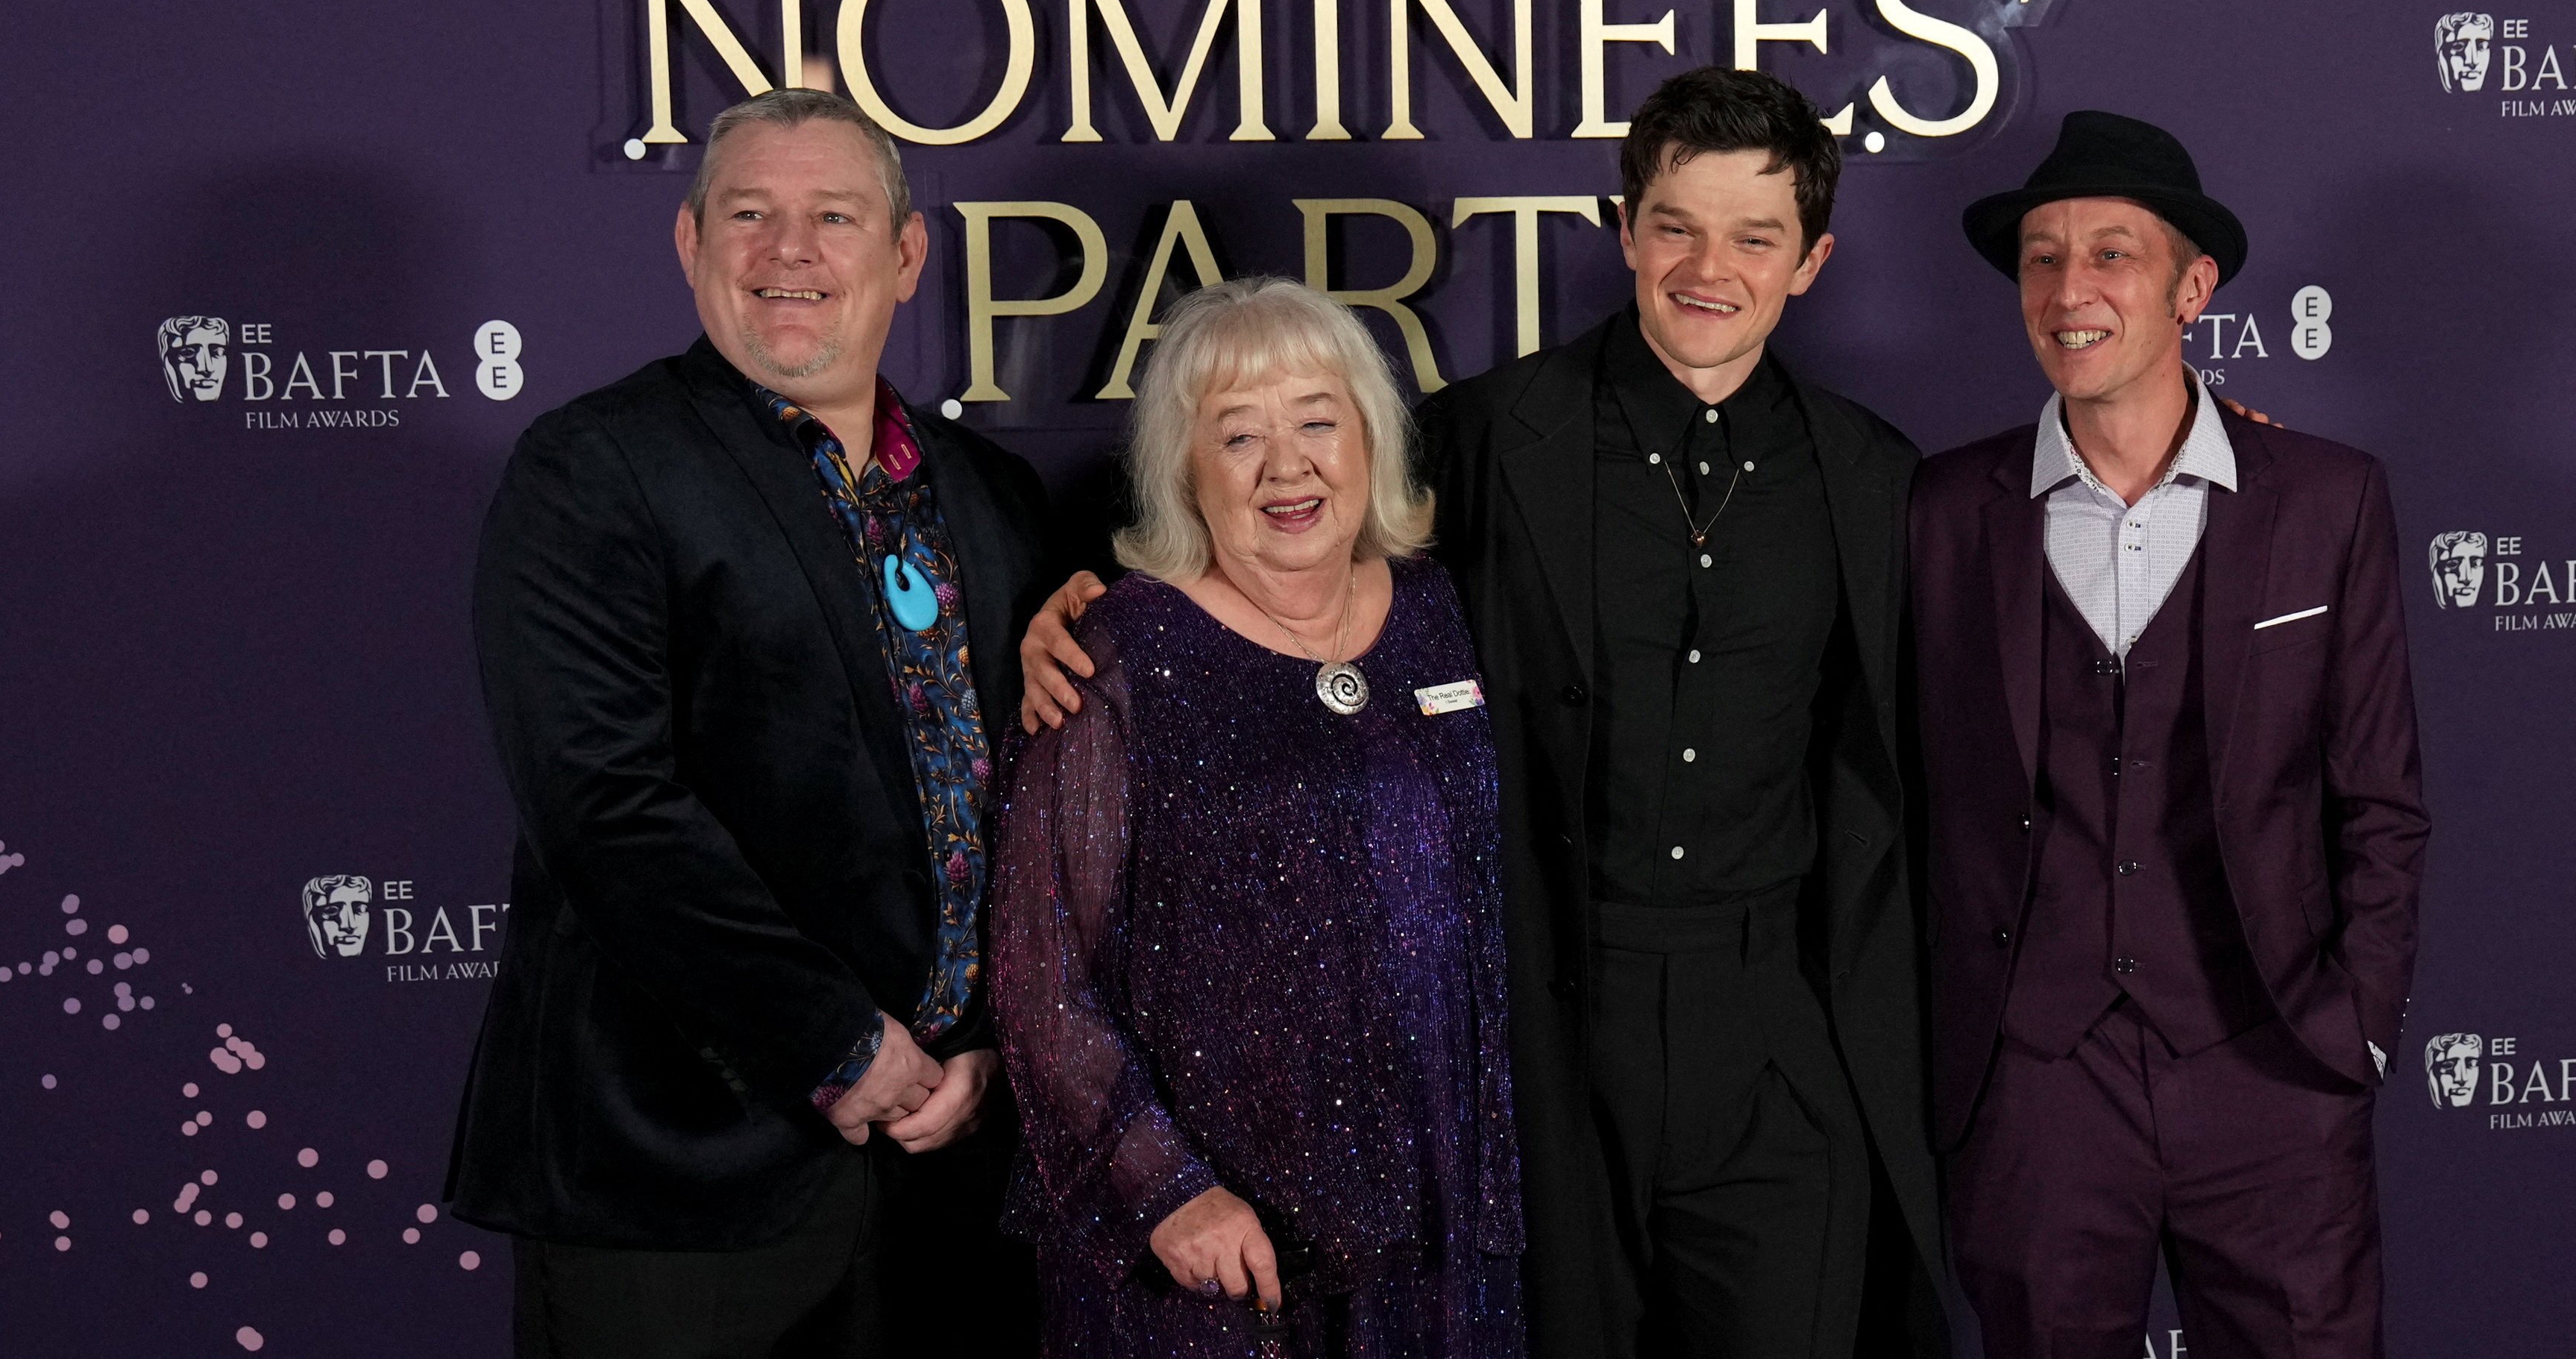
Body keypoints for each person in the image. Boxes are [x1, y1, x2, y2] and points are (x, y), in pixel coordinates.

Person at [1022, 71, 1947, 1358]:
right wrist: (1074, 599)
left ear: (1813, 260)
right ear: (1624, 230)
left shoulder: (1876, 476)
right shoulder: (1485, 438)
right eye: (1676, 225)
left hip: (1779, 1044)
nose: (1707, 268)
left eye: (1756, 237)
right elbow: (1278, 540)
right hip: (1537, 1041)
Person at [447, 87, 1046, 1358]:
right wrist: (838, 1042)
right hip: (681, 1182)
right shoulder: (595, 470)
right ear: (689, 243)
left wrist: (997, 1040)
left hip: (950, 1174)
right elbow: (603, 806)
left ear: (905, 254)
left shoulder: (990, 494)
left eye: (834, 216)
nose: (791, 253)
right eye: (750, 215)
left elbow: (1039, 806)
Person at [1909, 110, 2430, 1359]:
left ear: (2194, 287)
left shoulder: (2327, 498)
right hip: (2035, 1083)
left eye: (2111, 255)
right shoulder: (1937, 508)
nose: (2070, 290)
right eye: (2043, 257)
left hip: (2272, 1064)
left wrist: (2353, 1023)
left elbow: (2382, 799)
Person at [990, 277, 1522, 1358]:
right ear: (1185, 471)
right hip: (1214, 1250)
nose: (1289, 466)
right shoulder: (1113, 657)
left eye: (1318, 421)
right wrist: (1164, 1190)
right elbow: (1039, 972)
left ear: (1370, 437)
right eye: (1240, 437)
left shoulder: (1440, 610)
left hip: (1439, 1231)